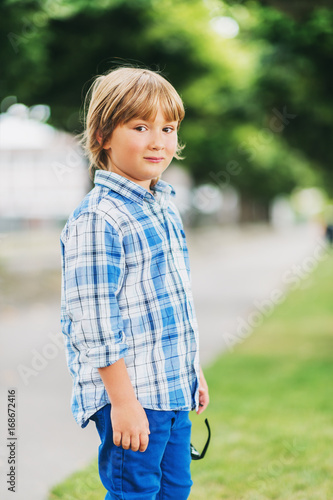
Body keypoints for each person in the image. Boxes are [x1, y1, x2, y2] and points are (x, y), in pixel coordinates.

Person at [60, 66, 209, 499]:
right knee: (136, 492)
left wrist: (191, 369)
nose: (158, 140)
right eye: (140, 126)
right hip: (134, 395)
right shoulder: (98, 218)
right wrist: (123, 403)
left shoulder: (161, 206)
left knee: (174, 489)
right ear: (104, 135)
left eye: (168, 127)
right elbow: (95, 323)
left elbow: (171, 304)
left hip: (171, 390)